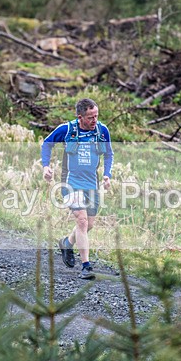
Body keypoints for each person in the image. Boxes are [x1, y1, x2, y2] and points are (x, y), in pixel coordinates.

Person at [41, 98, 113, 280]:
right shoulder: (67, 130)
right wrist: (45, 166)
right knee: (81, 221)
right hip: (70, 182)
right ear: (80, 117)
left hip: (91, 183)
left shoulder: (102, 131)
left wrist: (107, 175)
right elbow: (47, 143)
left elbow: (109, 154)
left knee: (89, 225)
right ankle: (86, 266)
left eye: (96, 115)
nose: (94, 120)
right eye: (90, 117)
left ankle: (67, 242)